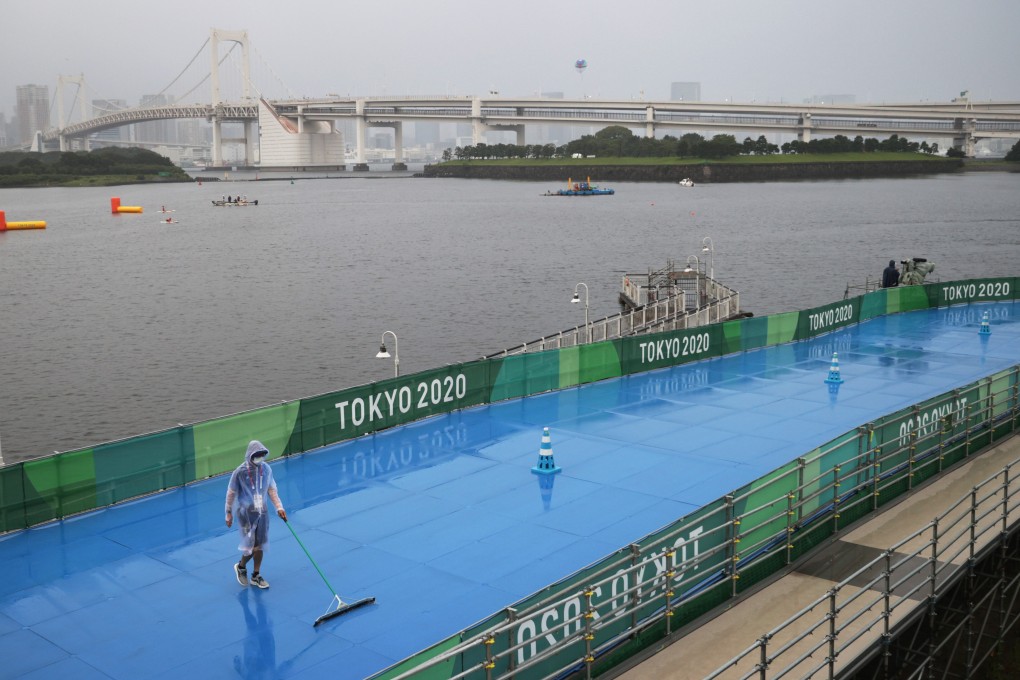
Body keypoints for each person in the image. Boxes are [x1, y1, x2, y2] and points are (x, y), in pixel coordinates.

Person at [226, 440, 287, 589]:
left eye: (262, 455)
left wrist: (279, 507)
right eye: (257, 455)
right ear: (250, 455)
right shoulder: (239, 472)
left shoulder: (266, 469)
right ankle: (241, 566)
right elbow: (231, 493)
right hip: (245, 514)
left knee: (260, 545)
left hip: (262, 512)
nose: (260, 458)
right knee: (251, 547)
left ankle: (256, 575)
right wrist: (228, 513)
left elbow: (272, 490)